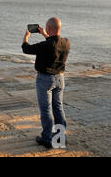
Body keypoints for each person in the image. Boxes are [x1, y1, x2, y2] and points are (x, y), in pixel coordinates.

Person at [22, 17, 71, 148]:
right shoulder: (66, 42)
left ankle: (47, 139)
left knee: (46, 110)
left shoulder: (45, 46)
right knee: (58, 108)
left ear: (48, 28)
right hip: (60, 79)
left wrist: (26, 37)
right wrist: (45, 34)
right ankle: (60, 138)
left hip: (45, 80)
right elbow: (53, 45)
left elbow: (26, 49)